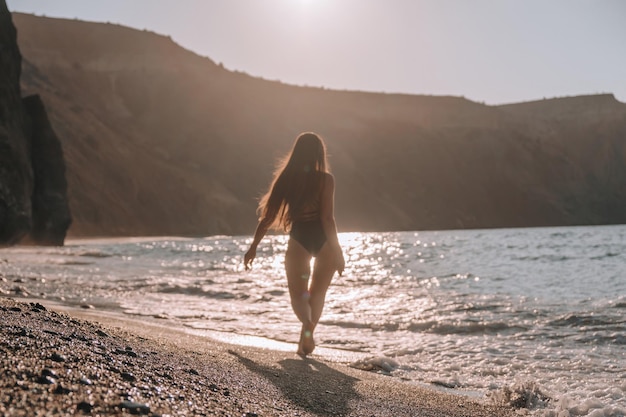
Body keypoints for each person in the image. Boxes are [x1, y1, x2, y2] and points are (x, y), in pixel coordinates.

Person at [244, 132, 345, 356]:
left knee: (299, 296)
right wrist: (338, 252)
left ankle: (306, 332)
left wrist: (253, 248)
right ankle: (306, 335)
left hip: (299, 237)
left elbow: (267, 219)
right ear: (319, 153)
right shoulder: (326, 179)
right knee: (317, 295)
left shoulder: (286, 179)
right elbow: (328, 219)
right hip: (324, 240)